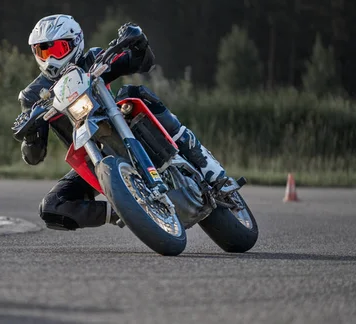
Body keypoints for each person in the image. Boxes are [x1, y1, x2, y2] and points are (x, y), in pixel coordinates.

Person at [15, 14, 227, 231]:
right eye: (43, 51)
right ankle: (128, 210)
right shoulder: (32, 96)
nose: (50, 58)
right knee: (51, 207)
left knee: (134, 93)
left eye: (57, 49)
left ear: (75, 42)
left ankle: (203, 161)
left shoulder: (94, 59)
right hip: (91, 157)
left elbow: (141, 62)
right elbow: (34, 158)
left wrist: (138, 43)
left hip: (124, 125)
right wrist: (30, 136)